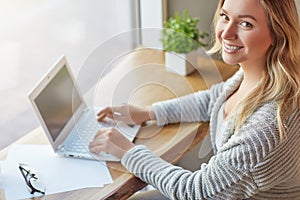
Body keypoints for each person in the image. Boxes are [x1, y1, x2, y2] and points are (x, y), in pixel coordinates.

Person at [89, 0, 300, 199]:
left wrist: (127, 151)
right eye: (225, 17)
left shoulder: (268, 127)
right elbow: (213, 100)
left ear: (277, 33)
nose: (226, 33)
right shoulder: (257, 73)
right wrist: (148, 112)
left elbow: (195, 192)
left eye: (246, 24)